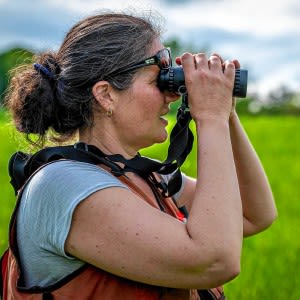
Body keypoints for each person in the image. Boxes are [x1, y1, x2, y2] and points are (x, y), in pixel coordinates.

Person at [2, 10, 277, 300]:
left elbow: (253, 213)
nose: (172, 95)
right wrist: (210, 116)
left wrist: (226, 110)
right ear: (106, 94)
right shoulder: (61, 185)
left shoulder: (150, 177)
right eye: (160, 80)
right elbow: (216, 259)